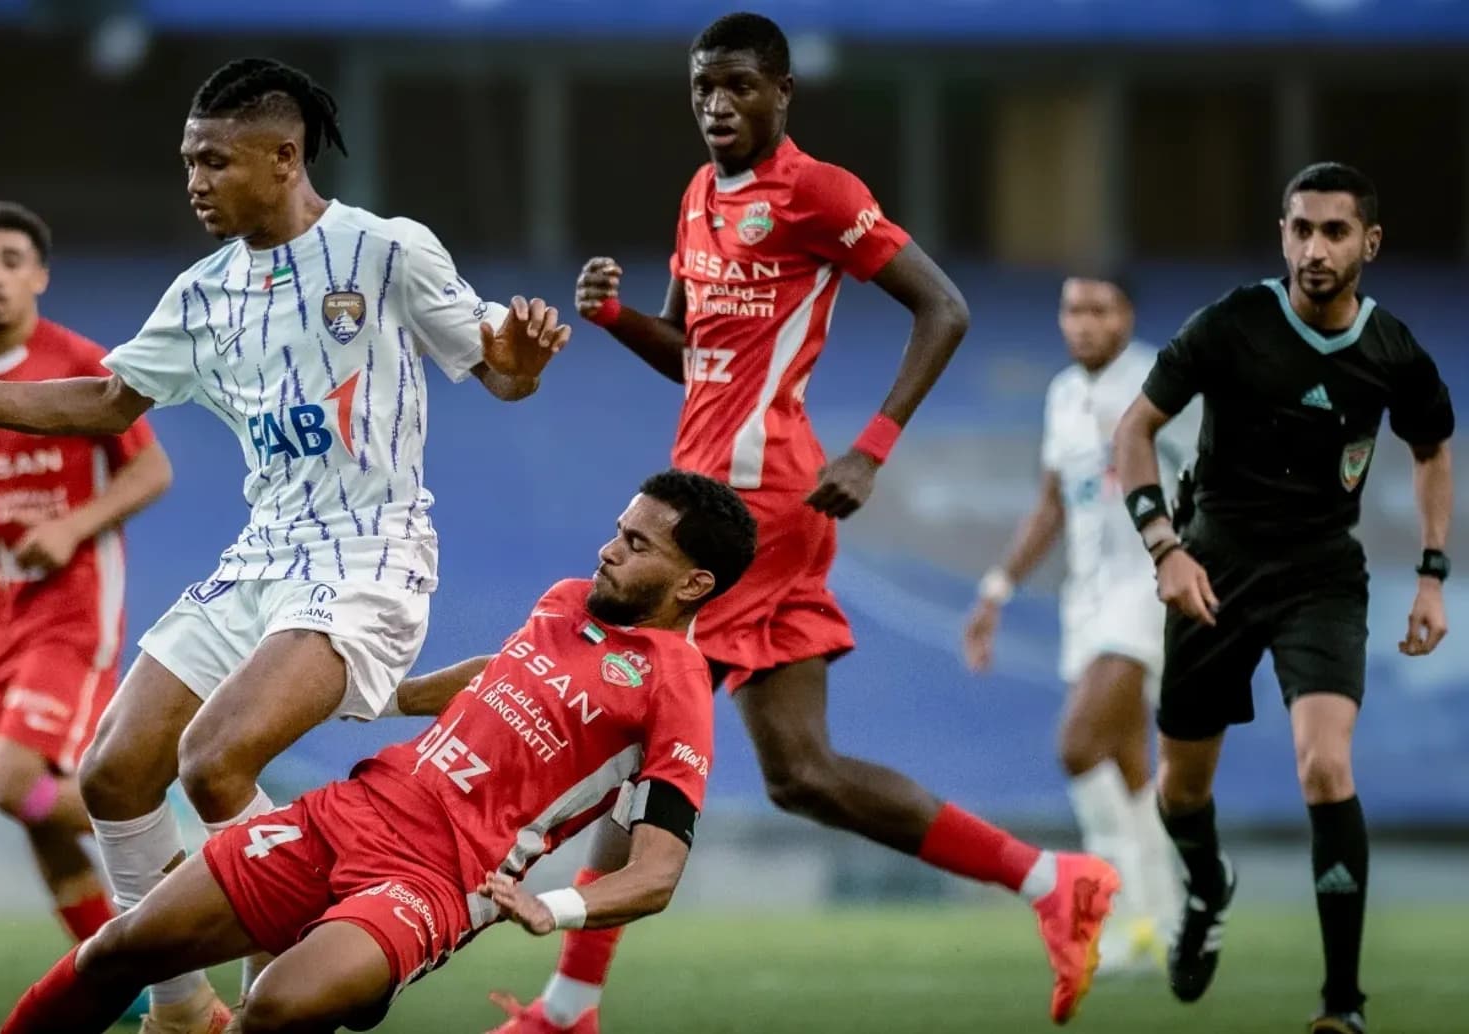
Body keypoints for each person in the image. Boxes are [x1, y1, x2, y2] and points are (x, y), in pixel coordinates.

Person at [0, 57, 569, 1033]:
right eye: (186, 162)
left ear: (284, 156)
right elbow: (104, 401)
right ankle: (180, 1007)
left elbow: (498, 365)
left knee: (213, 760)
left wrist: (524, 357)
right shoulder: (201, 293)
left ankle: (318, 957)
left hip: (367, 561)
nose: (195, 182)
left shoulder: (384, 251)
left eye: (214, 161)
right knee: (113, 771)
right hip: (260, 559)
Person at [494, 13, 1119, 1031]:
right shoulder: (700, 194)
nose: (717, 105)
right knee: (801, 774)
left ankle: (566, 999)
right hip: (707, 495)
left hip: (755, 509)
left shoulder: (820, 192)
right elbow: (692, 351)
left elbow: (944, 307)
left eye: (739, 87)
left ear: (781, 93)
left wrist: (871, 444)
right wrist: (615, 320)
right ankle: (1053, 878)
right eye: (702, 88)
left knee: (630, 716)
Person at [0, 470, 758, 1034]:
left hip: (441, 879)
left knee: (277, 1005)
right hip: (353, 811)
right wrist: (376, 695)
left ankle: (358, 969)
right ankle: (351, 974)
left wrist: (551, 907)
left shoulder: (678, 689)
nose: (607, 551)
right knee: (116, 954)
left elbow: (656, 872)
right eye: (617, 530)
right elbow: (502, 671)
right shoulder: (564, 601)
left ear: (694, 582)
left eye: (635, 544)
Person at [1113, 162, 1453, 1034]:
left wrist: (1431, 572)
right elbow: (1135, 430)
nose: (1314, 247)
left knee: (1325, 765)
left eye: (1335, 231)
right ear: (1283, 236)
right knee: (1181, 793)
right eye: (1300, 229)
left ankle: (1343, 1003)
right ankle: (1209, 885)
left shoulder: (1395, 354)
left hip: (1321, 577)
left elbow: (1430, 449)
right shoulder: (1232, 324)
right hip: (1212, 571)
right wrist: (1166, 550)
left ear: (1368, 244)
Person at [0, 199, 171, 955]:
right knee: (25, 807)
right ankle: (117, 975)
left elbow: (152, 469)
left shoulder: (82, 365)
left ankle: (181, 846)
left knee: (14, 783)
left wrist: (72, 525)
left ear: (40, 276)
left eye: (11, 261)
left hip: (76, 599)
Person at [962, 275, 1195, 972]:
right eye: (1072, 309)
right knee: (1127, 768)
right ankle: (1172, 919)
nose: (1084, 323)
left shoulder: (1166, 380)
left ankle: (1119, 917)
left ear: (1126, 314)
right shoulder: (1063, 394)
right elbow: (1052, 502)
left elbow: (1220, 466)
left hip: (1150, 585)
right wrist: (997, 589)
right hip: (1086, 597)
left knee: (1077, 744)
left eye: (1099, 309)